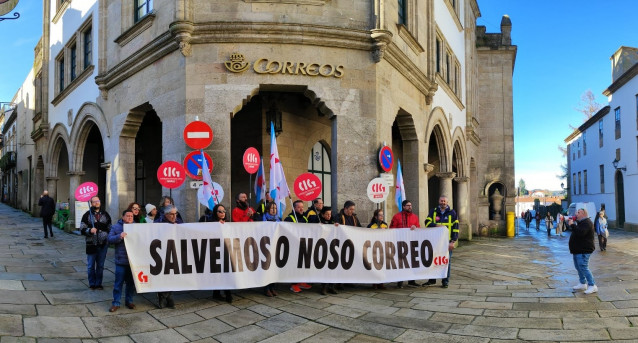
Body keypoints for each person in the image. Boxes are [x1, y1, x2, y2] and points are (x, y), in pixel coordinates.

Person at [424, 195, 459, 288]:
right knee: (433, 260)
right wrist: (436, 225)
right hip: (435, 241)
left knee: (447, 261)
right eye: (441, 201)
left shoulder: (453, 213)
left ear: (447, 202)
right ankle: (432, 280)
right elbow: (427, 223)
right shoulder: (433, 211)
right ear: (439, 201)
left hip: (447, 242)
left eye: (444, 201)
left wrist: (453, 242)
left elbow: (456, 229)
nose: (443, 202)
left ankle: (445, 281)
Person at [80, 196, 112, 290]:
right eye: (94, 202)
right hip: (91, 244)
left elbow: (110, 227)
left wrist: (106, 236)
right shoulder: (87, 215)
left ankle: (98, 283)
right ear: (91, 203)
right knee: (90, 266)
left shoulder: (105, 214)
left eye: (98, 201)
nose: (96, 203)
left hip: (103, 244)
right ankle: (92, 283)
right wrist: (89, 230)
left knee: (100, 265)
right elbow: (82, 229)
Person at [107, 209, 137, 312]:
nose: (130, 218)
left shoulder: (137, 227)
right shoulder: (116, 227)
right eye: (128, 216)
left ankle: (129, 301)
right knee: (118, 283)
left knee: (130, 283)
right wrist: (119, 236)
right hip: (121, 260)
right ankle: (116, 303)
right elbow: (109, 239)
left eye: (131, 216)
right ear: (123, 217)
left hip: (133, 261)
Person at [155, 205, 182, 308]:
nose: (174, 216)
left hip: (174, 251)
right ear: (166, 214)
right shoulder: (158, 222)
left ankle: (168, 296)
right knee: (162, 275)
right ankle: (163, 297)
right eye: (172, 214)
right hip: (161, 252)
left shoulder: (179, 221)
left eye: (176, 214)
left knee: (171, 275)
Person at [390, 200, 420, 288]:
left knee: (412, 262)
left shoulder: (415, 217)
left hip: (411, 243)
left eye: (411, 205)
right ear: (403, 207)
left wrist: (416, 227)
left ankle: (412, 281)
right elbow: (392, 228)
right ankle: (400, 281)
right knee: (401, 262)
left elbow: (419, 228)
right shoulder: (396, 217)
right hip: (400, 243)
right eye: (408, 205)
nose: (410, 207)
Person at [284, 200, 312, 293]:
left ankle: (301, 281)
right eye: (299, 207)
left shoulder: (305, 218)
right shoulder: (290, 218)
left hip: (303, 244)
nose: (301, 209)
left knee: (303, 264)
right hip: (294, 246)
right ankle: (294, 284)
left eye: (302, 207)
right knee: (295, 265)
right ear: (294, 208)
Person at [568, 208, 597, 294]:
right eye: (577, 212)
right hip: (578, 250)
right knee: (578, 267)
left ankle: (592, 285)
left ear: (584, 214)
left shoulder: (587, 223)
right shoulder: (581, 223)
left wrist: (573, 225)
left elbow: (581, 233)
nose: (576, 214)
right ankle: (582, 283)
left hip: (584, 250)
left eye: (578, 212)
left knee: (584, 267)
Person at [210, 204, 233, 303]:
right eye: (220, 211)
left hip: (226, 250)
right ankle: (217, 292)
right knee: (218, 272)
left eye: (224, 211)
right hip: (215, 250)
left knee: (226, 271)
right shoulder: (211, 223)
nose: (222, 213)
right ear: (215, 213)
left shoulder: (228, 223)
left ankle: (228, 294)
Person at [259, 202, 279, 297]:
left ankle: (272, 287)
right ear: (267, 209)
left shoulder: (278, 219)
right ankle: (266, 288)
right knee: (266, 266)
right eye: (272, 208)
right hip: (265, 245)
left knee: (274, 267)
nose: (274, 210)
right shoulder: (263, 218)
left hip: (275, 245)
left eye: (275, 208)